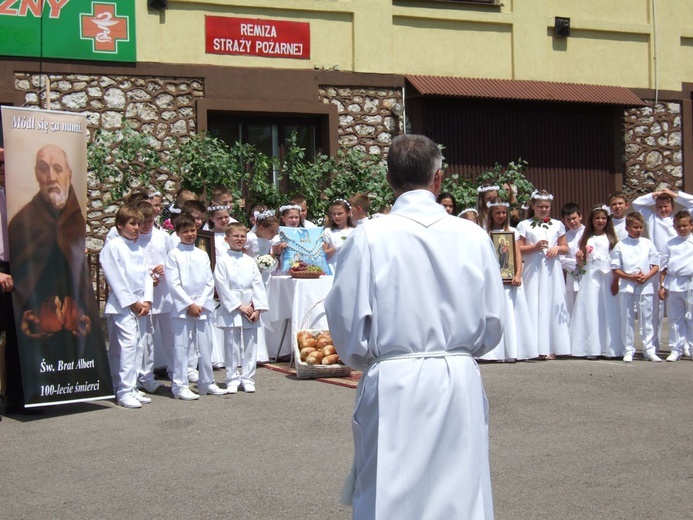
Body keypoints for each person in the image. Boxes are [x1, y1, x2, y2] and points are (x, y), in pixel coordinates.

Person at [325, 134, 504, 519]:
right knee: (460, 491)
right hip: (457, 376)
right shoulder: (472, 235)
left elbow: (344, 318)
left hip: (394, 380)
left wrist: (366, 358)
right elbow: (493, 320)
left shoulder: (369, 236)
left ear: (389, 178)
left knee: (390, 492)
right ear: (438, 179)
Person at [8, 144, 108, 412]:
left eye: (57, 169)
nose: (51, 177)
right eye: (43, 168)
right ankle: (26, 398)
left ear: (69, 174)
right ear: (36, 175)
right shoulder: (21, 222)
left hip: (70, 299)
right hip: (34, 302)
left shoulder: (76, 216)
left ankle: (71, 389)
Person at [164, 213, 225, 400]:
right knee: (182, 347)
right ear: (178, 233)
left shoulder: (202, 254)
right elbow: (173, 284)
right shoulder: (173, 255)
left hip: (202, 306)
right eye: (185, 231)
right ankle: (180, 385)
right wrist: (189, 303)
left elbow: (209, 280)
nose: (190, 234)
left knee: (206, 345)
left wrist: (201, 303)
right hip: (183, 308)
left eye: (192, 230)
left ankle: (207, 382)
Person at [100, 204, 154, 409]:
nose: (136, 228)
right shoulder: (113, 247)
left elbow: (146, 275)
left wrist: (147, 299)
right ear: (120, 225)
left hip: (140, 304)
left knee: (136, 345)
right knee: (127, 345)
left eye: (139, 224)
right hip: (123, 305)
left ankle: (128, 387)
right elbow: (116, 278)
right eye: (132, 224)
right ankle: (122, 389)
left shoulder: (138, 247)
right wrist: (132, 302)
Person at [632, 187, 693, 353]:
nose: (663, 210)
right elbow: (637, 204)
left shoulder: (678, 220)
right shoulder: (652, 218)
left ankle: (686, 345)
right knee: (655, 309)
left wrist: (674, 194)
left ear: (672, 206)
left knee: (684, 311)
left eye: (666, 206)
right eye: (659, 207)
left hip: (675, 268)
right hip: (656, 267)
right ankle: (654, 344)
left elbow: (692, 203)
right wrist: (655, 195)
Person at [214, 223, 269, 394]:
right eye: (235, 236)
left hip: (250, 304)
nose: (239, 239)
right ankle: (231, 378)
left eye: (242, 236)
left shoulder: (250, 261)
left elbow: (257, 284)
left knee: (251, 343)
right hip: (233, 306)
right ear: (226, 239)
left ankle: (248, 377)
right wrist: (239, 306)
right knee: (231, 343)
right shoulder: (222, 261)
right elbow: (221, 285)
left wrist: (258, 307)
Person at [516, 190, 571, 358]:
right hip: (534, 270)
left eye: (547, 207)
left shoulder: (557, 224)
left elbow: (566, 247)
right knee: (534, 302)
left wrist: (557, 248)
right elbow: (518, 249)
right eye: (540, 206)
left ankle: (553, 347)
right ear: (533, 206)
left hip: (551, 270)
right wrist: (535, 247)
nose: (544, 210)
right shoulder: (524, 225)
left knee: (552, 303)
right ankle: (534, 347)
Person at [481, 198, 537, 362]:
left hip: (511, 279)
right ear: (491, 214)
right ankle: (494, 352)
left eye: (503, 212)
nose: (501, 215)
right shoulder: (485, 232)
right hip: (494, 279)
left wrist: (518, 274)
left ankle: (515, 350)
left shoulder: (513, 231)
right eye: (497, 212)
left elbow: (517, 254)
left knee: (512, 313)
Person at [569, 205, 623, 359]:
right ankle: (592, 347)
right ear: (591, 220)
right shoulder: (586, 238)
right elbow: (581, 264)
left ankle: (610, 347)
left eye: (603, 218)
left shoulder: (612, 238)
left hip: (607, 277)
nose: (600, 221)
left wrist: (616, 280)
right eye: (597, 218)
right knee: (591, 308)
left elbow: (616, 260)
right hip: (591, 278)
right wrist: (580, 257)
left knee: (608, 309)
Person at [610, 212, 660, 362]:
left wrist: (647, 276)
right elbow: (615, 269)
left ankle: (649, 349)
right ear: (627, 228)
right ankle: (628, 349)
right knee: (627, 318)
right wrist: (630, 277)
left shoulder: (647, 243)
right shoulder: (621, 245)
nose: (638, 230)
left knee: (647, 318)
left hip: (645, 284)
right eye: (635, 227)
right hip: (627, 285)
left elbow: (656, 264)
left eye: (640, 227)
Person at [135, 200, 173, 389]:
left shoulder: (162, 236)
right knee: (146, 339)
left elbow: (172, 259)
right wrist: (148, 277)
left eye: (150, 221)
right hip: (145, 294)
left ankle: (176, 371)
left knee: (171, 336)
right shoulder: (133, 239)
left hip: (164, 293)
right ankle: (145, 376)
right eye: (143, 222)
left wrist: (164, 267)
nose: (147, 225)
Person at [658, 211, 693, 361]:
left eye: (685, 225)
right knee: (675, 318)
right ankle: (676, 348)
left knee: (691, 317)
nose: (682, 229)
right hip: (673, 282)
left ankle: (691, 347)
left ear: (691, 225)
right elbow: (663, 267)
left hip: (691, 282)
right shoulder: (670, 244)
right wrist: (662, 286)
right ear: (674, 227)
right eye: (679, 226)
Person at [559, 203, 585, 315]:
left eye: (574, 218)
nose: (572, 222)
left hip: (587, 274)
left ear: (580, 216)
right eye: (568, 219)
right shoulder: (564, 236)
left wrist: (583, 262)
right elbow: (561, 259)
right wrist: (576, 262)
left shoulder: (588, 233)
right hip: (572, 276)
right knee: (573, 310)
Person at [322, 199, 355, 273]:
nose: (336, 216)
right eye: (334, 214)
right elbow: (323, 255)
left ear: (348, 213)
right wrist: (336, 248)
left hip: (348, 269)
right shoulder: (328, 231)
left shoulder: (354, 232)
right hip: (332, 269)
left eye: (340, 213)